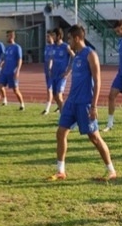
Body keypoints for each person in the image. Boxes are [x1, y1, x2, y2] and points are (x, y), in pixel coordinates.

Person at [48, 24, 116, 182]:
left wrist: (94, 105)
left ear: (77, 38)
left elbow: (97, 81)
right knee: (61, 133)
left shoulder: (90, 54)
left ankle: (111, 170)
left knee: (94, 138)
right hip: (71, 102)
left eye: (70, 38)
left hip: (85, 103)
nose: (68, 41)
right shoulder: (76, 55)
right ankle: (60, 171)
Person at [42, 28, 74, 115]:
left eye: (53, 35)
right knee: (55, 96)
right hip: (53, 75)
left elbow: (73, 57)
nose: (52, 37)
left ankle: (65, 116)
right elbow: (52, 58)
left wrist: (68, 72)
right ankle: (62, 113)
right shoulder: (53, 47)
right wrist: (49, 67)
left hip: (61, 76)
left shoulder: (65, 46)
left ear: (58, 36)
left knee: (59, 96)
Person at [0, 30, 26, 112]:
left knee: (16, 90)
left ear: (12, 36)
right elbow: (4, 58)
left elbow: (20, 59)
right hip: (4, 72)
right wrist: (0, 63)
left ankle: (22, 104)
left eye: (8, 36)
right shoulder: (7, 48)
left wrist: (17, 70)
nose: (6, 37)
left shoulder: (17, 47)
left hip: (12, 72)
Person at [42, 32, 55, 113]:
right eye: (46, 37)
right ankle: (59, 106)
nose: (47, 39)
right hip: (47, 71)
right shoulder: (46, 47)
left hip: (53, 72)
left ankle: (47, 109)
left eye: (48, 37)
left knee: (49, 89)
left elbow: (52, 59)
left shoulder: (55, 47)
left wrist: (50, 68)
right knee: (52, 90)